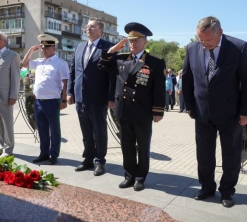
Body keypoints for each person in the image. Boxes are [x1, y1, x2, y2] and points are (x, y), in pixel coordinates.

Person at [182, 16, 247, 208]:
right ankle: (207, 187)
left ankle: (227, 191)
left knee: (231, 155)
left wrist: (245, 112)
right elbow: (187, 78)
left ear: (220, 32)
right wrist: (189, 106)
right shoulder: (192, 48)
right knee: (204, 154)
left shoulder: (239, 48)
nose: (204, 44)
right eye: (200, 39)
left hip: (231, 114)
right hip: (202, 113)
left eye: (208, 40)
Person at [98, 22, 166, 191]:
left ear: (145, 42)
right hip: (123, 111)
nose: (133, 43)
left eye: (137, 40)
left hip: (143, 112)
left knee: (142, 147)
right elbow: (101, 65)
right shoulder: (120, 58)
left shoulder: (155, 62)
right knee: (126, 146)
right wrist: (113, 50)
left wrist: (158, 111)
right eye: (130, 40)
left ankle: (140, 177)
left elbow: (159, 89)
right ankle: (129, 176)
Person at [67, 17, 115, 176]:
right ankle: (88, 158)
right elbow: (73, 70)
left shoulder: (108, 47)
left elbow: (113, 75)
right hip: (81, 97)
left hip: (98, 97)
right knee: (86, 131)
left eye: (92, 26)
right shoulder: (80, 47)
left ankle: (100, 161)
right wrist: (70, 92)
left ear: (101, 30)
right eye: (87, 26)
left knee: (99, 131)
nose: (88, 29)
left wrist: (111, 97)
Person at [22, 34, 69, 165]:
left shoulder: (60, 63)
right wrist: (31, 50)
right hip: (38, 101)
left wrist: (64, 100)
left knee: (54, 129)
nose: (43, 50)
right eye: (42, 48)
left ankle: (53, 154)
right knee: (42, 128)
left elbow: (65, 83)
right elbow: (24, 64)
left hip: (52, 101)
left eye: (46, 47)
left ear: (53, 48)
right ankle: (44, 153)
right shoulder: (39, 62)